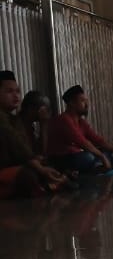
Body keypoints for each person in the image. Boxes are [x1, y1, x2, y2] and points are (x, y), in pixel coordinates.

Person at [0, 71, 66, 199]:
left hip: (14, 169)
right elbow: (18, 146)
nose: (16, 95)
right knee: (28, 175)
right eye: (9, 91)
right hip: (5, 171)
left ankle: (46, 186)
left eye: (18, 91)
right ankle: (45, 187)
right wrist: (39, 167)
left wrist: (44, 124)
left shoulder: (14, 120)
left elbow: (35, 153)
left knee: (46, 167)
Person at [47, 85, 113, 174]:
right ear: (72, 103)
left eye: (86, 101)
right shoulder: (64, 119)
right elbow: (82, 143)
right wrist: (102, 157)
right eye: (82, 101)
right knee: (88, 157)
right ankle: (95, 167)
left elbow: (98, 140)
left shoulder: (81, 122)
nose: (86, 104)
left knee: (109, 152)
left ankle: (95, 167)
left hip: (77, 156)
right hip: (61, 159)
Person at [18, 90, 51, 156]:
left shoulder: (30, 126)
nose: (46, 113)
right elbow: (42, 152)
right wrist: (44, 124)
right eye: (43, 110)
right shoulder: (18, 126)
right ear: (30, 108)